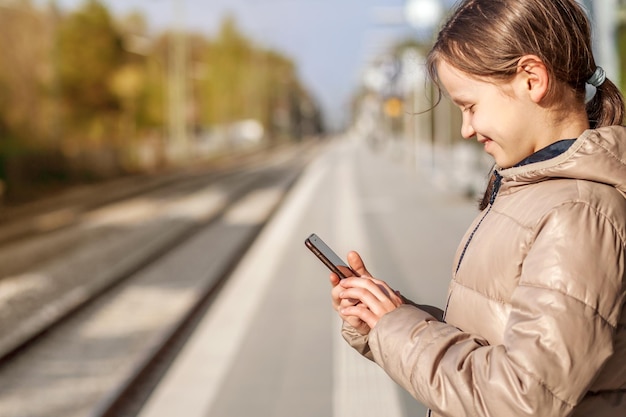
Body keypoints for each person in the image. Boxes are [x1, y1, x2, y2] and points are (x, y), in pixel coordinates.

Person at [329, 1, 626, 416]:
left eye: (469, 106)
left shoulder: (576, 214)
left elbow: (521, 396)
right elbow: (492, 335)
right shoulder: (532, 189)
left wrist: (396, 329)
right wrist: (391, 316)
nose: (467, 128)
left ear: (531, 78)